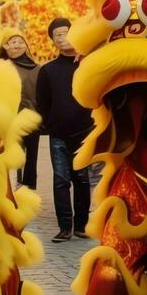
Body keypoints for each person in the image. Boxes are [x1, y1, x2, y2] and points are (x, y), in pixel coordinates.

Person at [35, 17, 93, 241]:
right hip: (59, 133)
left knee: (82, 179)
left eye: (66, 32)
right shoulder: (48, 70)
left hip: (85, 132)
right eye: (57, 35)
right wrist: (51, 122)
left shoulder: (87, 64)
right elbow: (43, 102)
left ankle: (81, 226)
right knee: (61, 180)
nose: (63, 38)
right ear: (53, 41)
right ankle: (64, 227)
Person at [0, 29, 41, 189]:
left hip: (32, 118)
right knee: (10, 156)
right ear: (6, 46)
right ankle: (10, 188)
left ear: (26, 45)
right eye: (12, 42)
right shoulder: (2, 66)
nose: (17, 45)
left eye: (20, 41)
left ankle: (28, 189)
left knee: (31, 157)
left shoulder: (37, 69)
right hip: (10, 120)